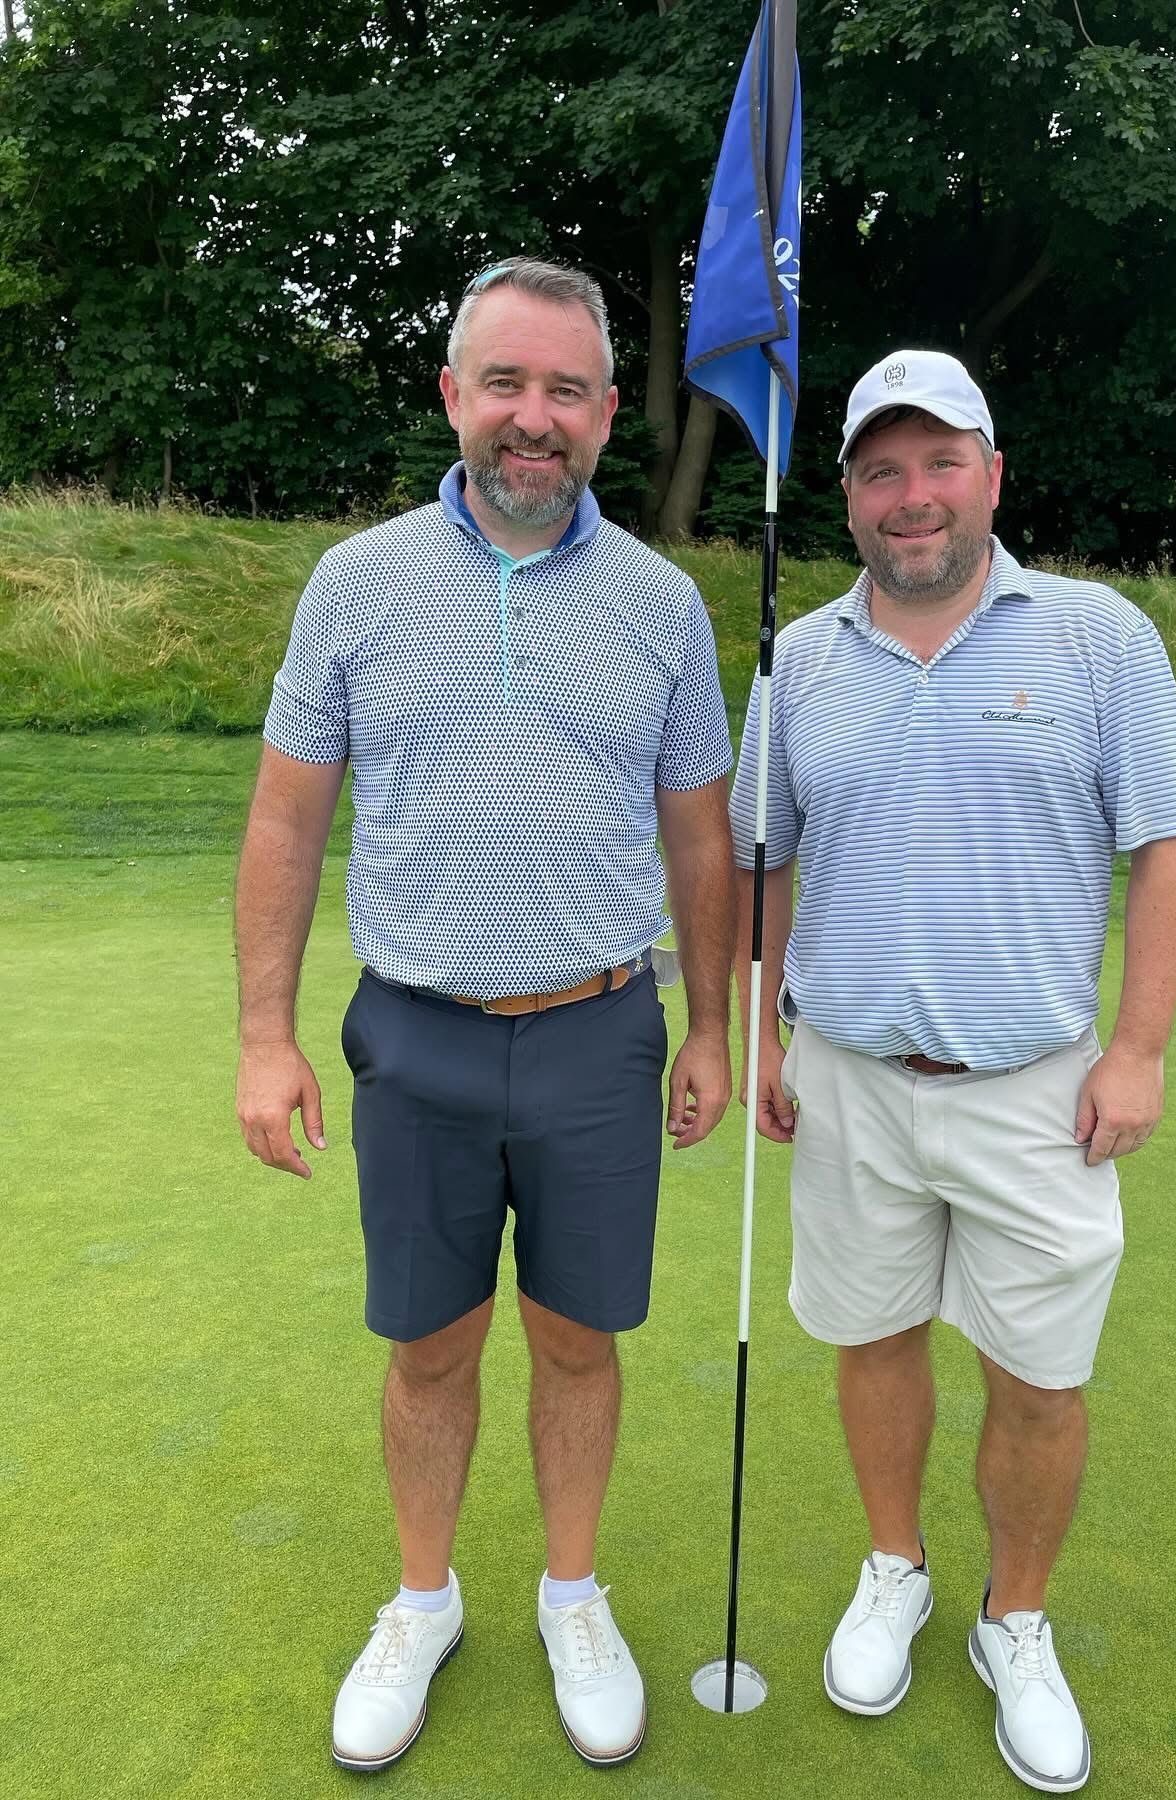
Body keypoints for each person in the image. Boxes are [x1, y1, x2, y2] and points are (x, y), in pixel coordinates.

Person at [234, 258, 736, 1774]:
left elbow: (702, 838)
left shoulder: (662, 603)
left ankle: (571, 1595)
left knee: (578, 1343)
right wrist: (264, 1036)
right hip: (421, 1032)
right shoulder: (356, 583)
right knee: (432, 1347)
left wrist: (711, 1026)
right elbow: (284, 825)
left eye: (568, 390)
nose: (536, 417)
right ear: (454, 395)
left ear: (603, 416)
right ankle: (425, 1597)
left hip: (597, 1031)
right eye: (505, 383)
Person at [730, 350, 1176, 1793]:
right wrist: (760, 1022)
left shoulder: (1096, 636)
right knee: (872, 1340)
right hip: (853, 1076)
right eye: (884, 469)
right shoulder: (799, 657)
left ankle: (1017, 1617)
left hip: (1036, 1087)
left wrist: (1139, 1050)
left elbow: (1168, 847)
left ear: (994, 477)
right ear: (851, 496)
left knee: (1041, 1378)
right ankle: (897, 1570)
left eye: (942, 463)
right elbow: (765, 856)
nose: (914, 494)